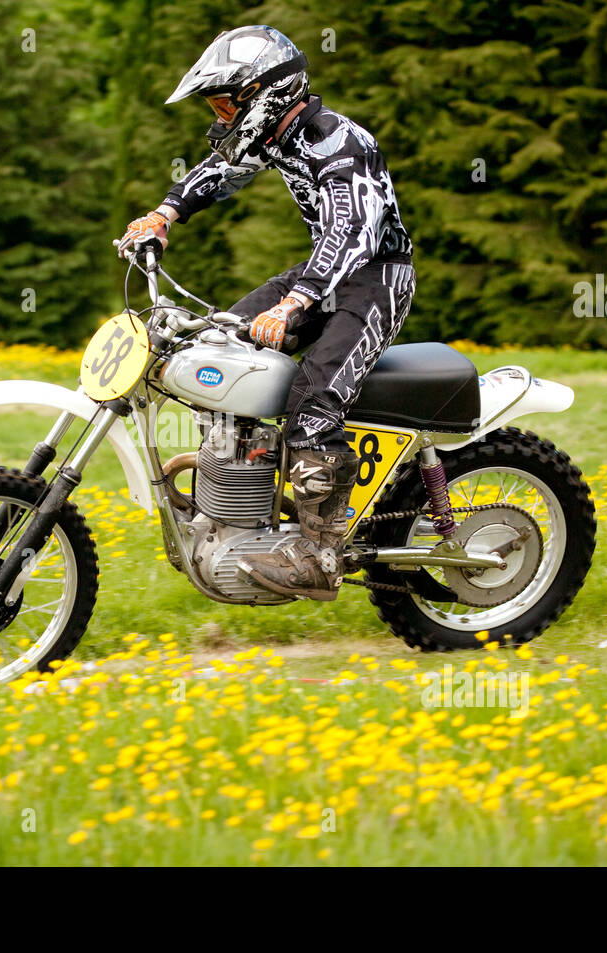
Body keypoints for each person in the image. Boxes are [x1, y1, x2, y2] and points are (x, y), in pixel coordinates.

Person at [117, 25, 416, 602]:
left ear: (267, 94)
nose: (222, 116)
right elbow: (220, 172)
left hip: (374, 280)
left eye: (227, 102)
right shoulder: (275, 136)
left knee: (313, 400)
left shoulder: (340, 143)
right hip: (317, 273)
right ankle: (234, 490)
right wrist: (163, 215)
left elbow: (351, 232)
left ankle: (320, 554)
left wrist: (295, 302)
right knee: (217, 352)